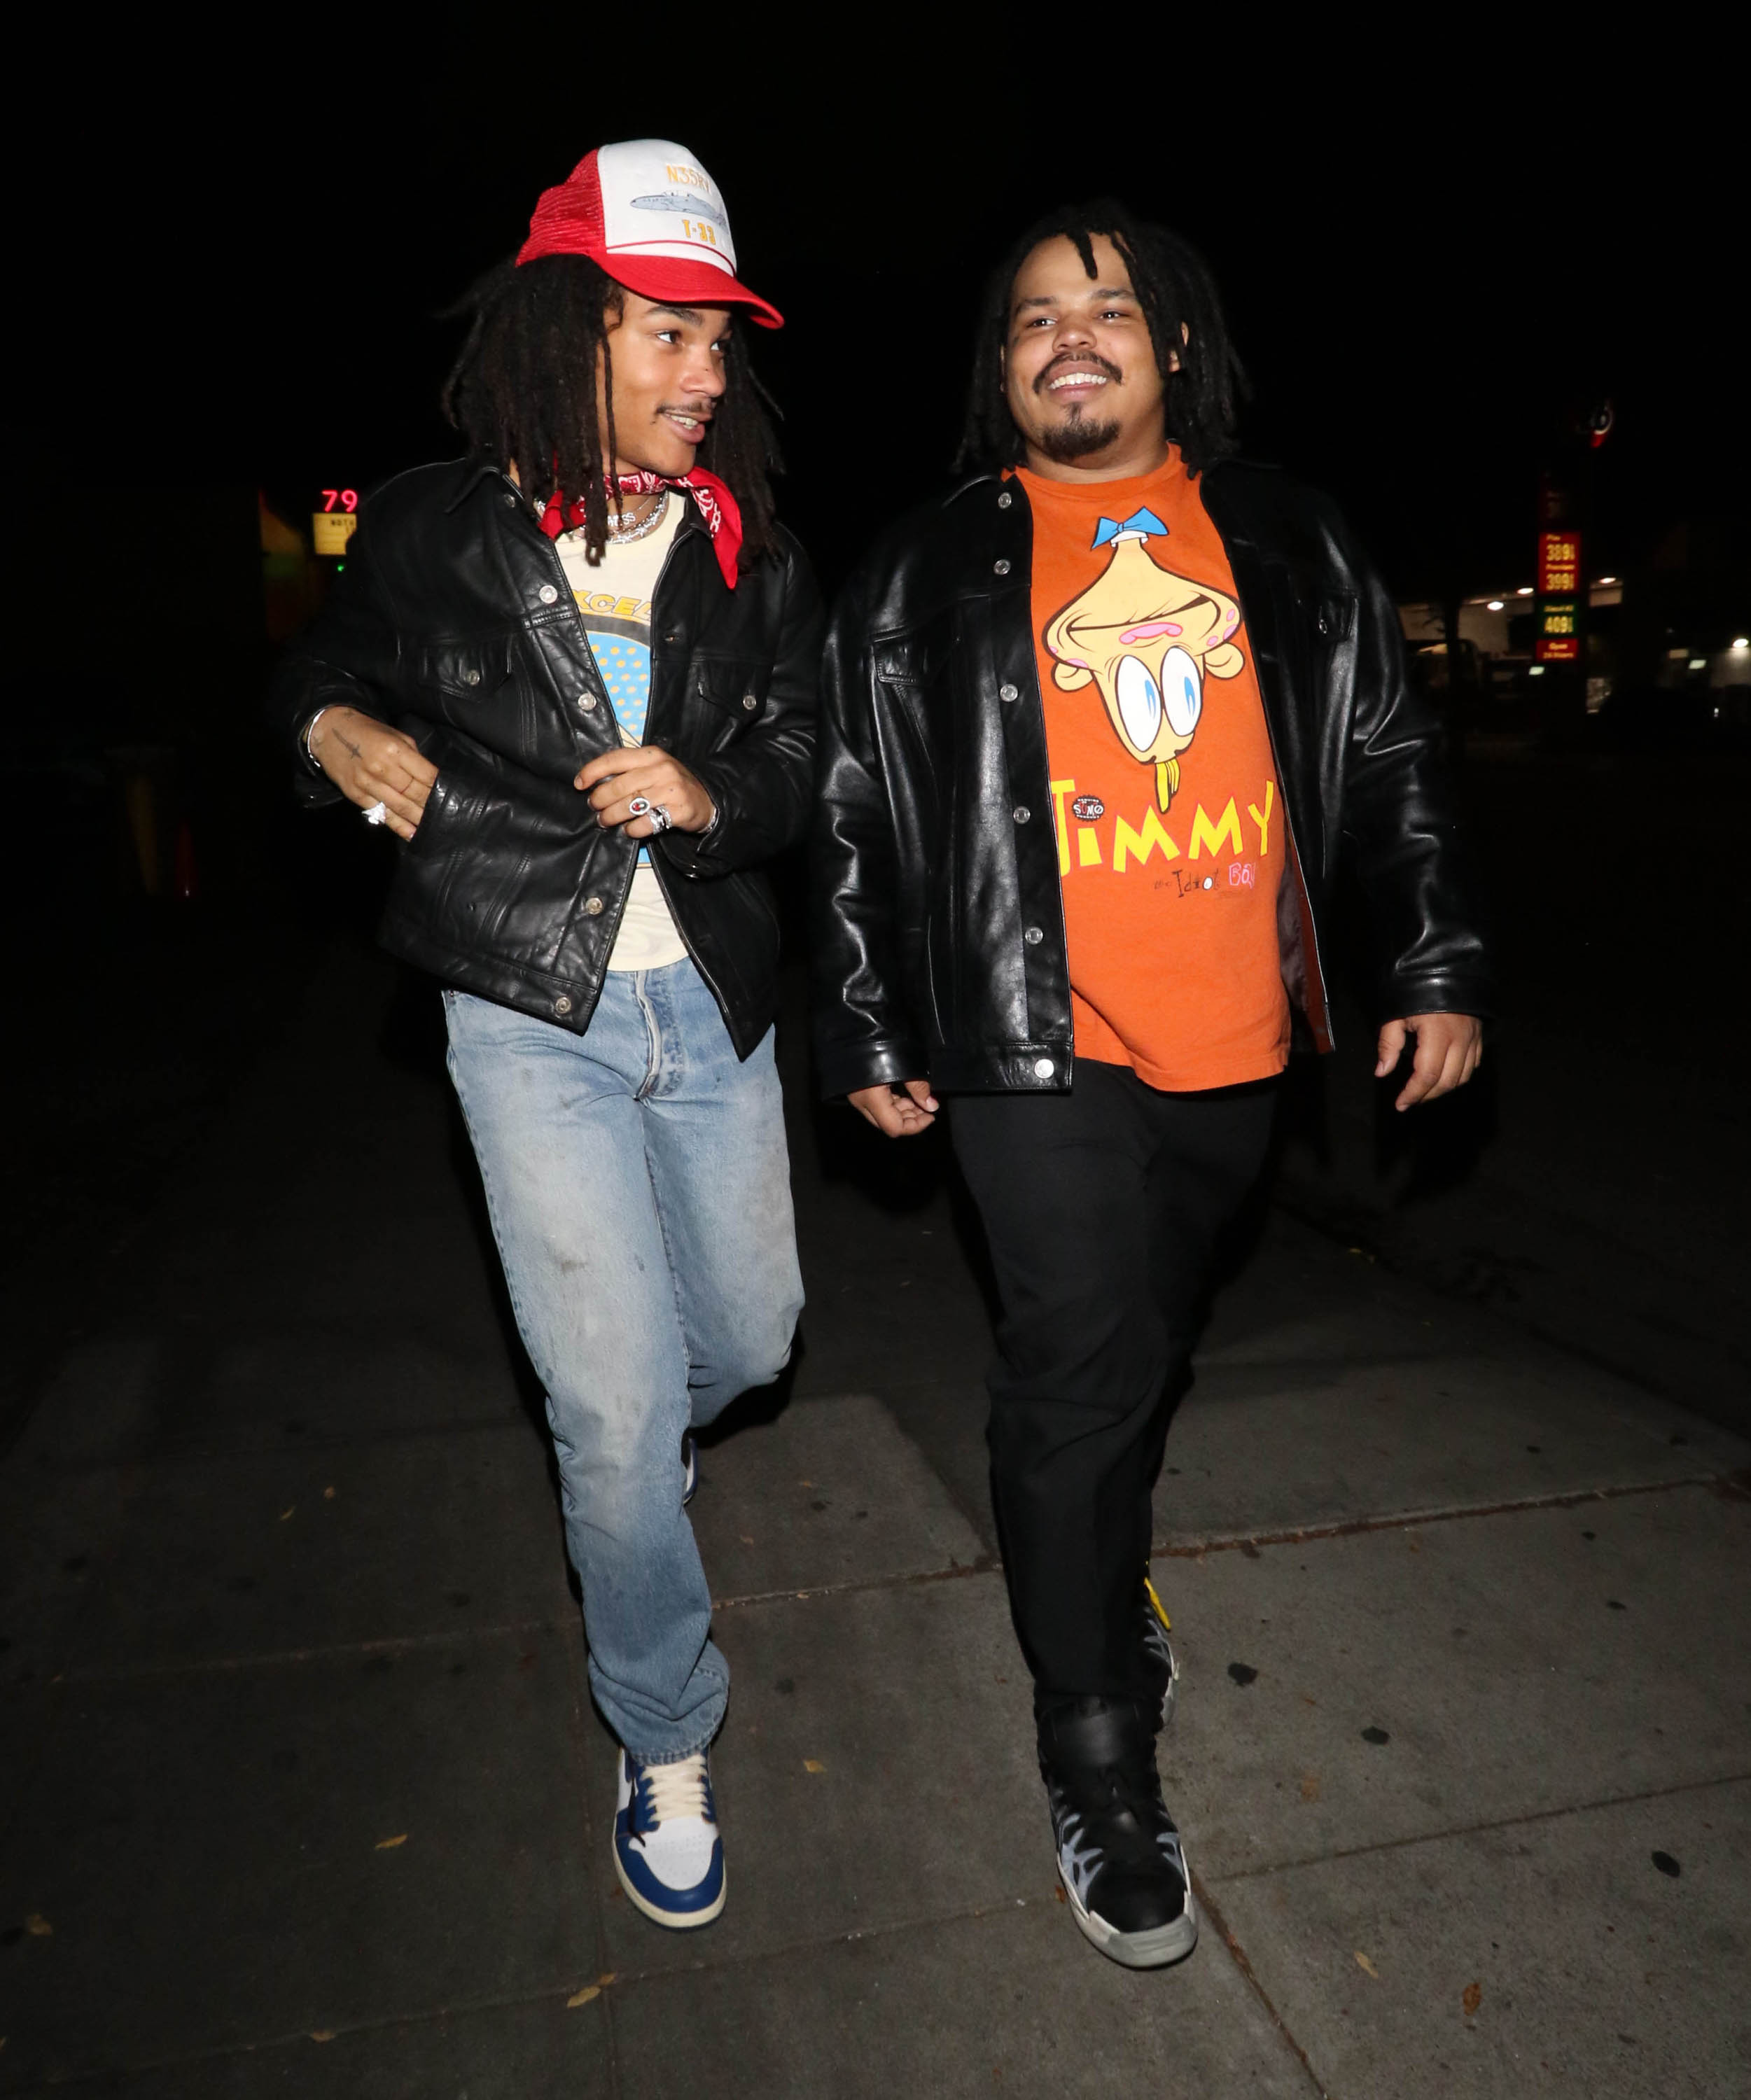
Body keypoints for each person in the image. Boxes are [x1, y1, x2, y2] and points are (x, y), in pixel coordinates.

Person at [812, 202, 1491, 1970]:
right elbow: (854, 815)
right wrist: (874, 1021)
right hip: (1034, 1040)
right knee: (1076, 1369)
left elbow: (1393, 760)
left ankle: (1100, 1577)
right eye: (1037, 316)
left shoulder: (1287, 537)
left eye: (1106, 306)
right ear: (1005, 365)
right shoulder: (928, 564)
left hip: (1235, 1049)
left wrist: (1430, 964)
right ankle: (1099, 1754)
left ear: (1170, 345)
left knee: (1144, 1344)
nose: (1072, 334)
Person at [268, 140, 822, 1931]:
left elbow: (808, 758)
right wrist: (329, 737)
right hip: (523, 1007)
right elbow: (313, 663)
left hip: (713, 997)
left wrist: (715, 788)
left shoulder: (749, 546)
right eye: (672, 336)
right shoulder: (435, 523)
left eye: (719, 343)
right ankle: (663, 1728)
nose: (708, 376)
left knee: (746, 1341)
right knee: (607, 1408)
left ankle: (624, 1463)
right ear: (574, 329)